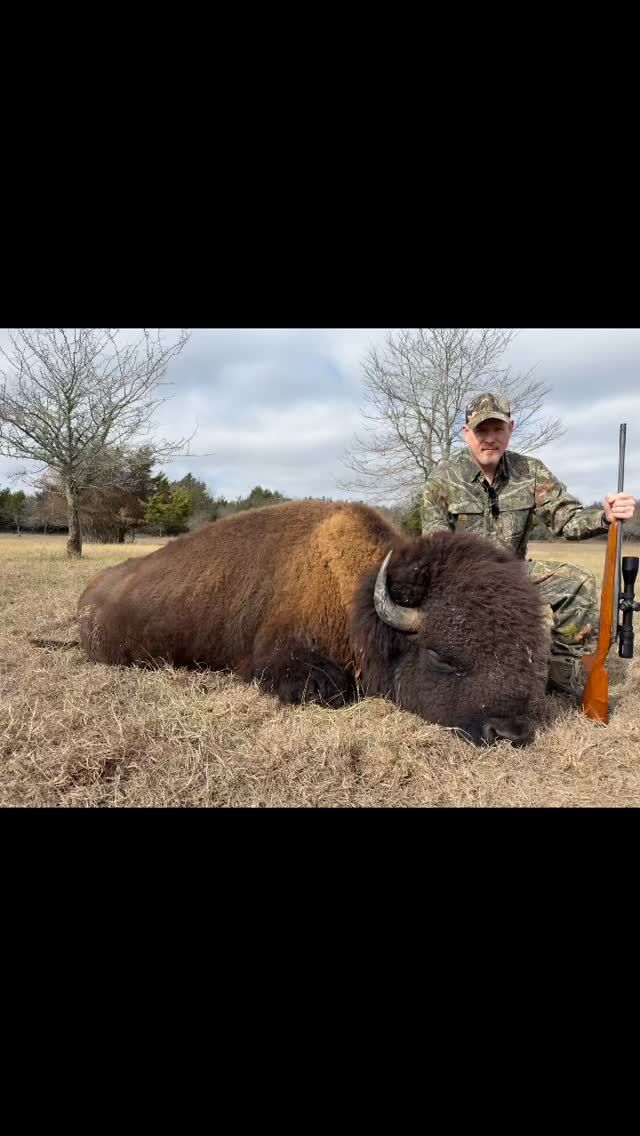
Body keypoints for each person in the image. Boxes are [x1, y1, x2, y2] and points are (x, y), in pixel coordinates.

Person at [420, 393, 637, 697]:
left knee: (577, 582)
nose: (490, 438)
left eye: (497, 429)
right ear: (466, 433)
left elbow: (566, 518)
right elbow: (436, 547)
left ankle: (563, 673)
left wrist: (605, 516)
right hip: (462, 581)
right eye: (482, 430)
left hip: (514, 573)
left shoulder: (530, 472)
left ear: (510, 429)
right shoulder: (442, 479)